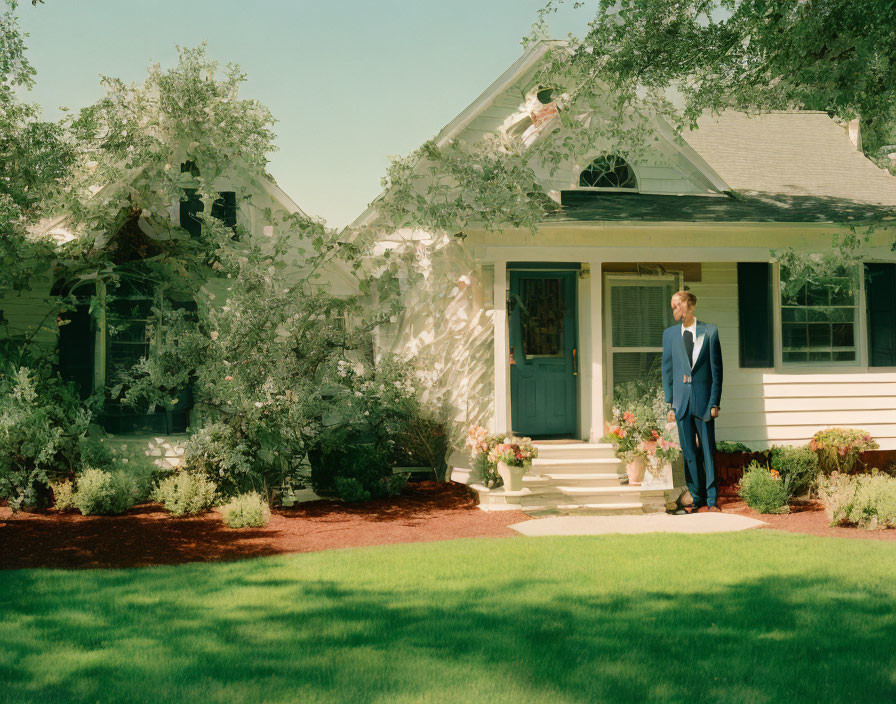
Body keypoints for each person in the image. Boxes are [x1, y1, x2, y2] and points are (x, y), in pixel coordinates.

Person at [661, 290, 723, 513]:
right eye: (672, 306)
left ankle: (712, 499)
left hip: (705, 402)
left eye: (677, 305)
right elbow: (667, 371)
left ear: (690, 305)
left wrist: (714, 402)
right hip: (681, 403)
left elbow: (717, 371)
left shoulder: (710, 331)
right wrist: (670, 404)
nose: (674, 310)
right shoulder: (669, 335)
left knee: (708, 451)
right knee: (689, 453)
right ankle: (695, 497)